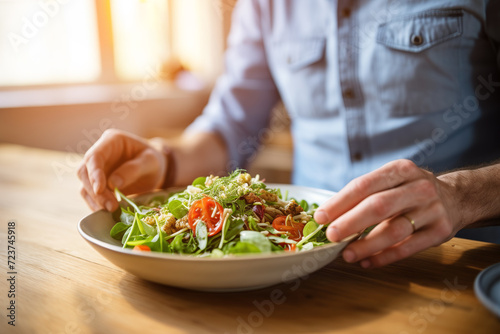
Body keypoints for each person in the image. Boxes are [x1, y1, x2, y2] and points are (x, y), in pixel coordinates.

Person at [78, 0, 500, 268]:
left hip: (456, 261)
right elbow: (230, 125)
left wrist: (461, 194)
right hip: (297, 265)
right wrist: (163, 158)